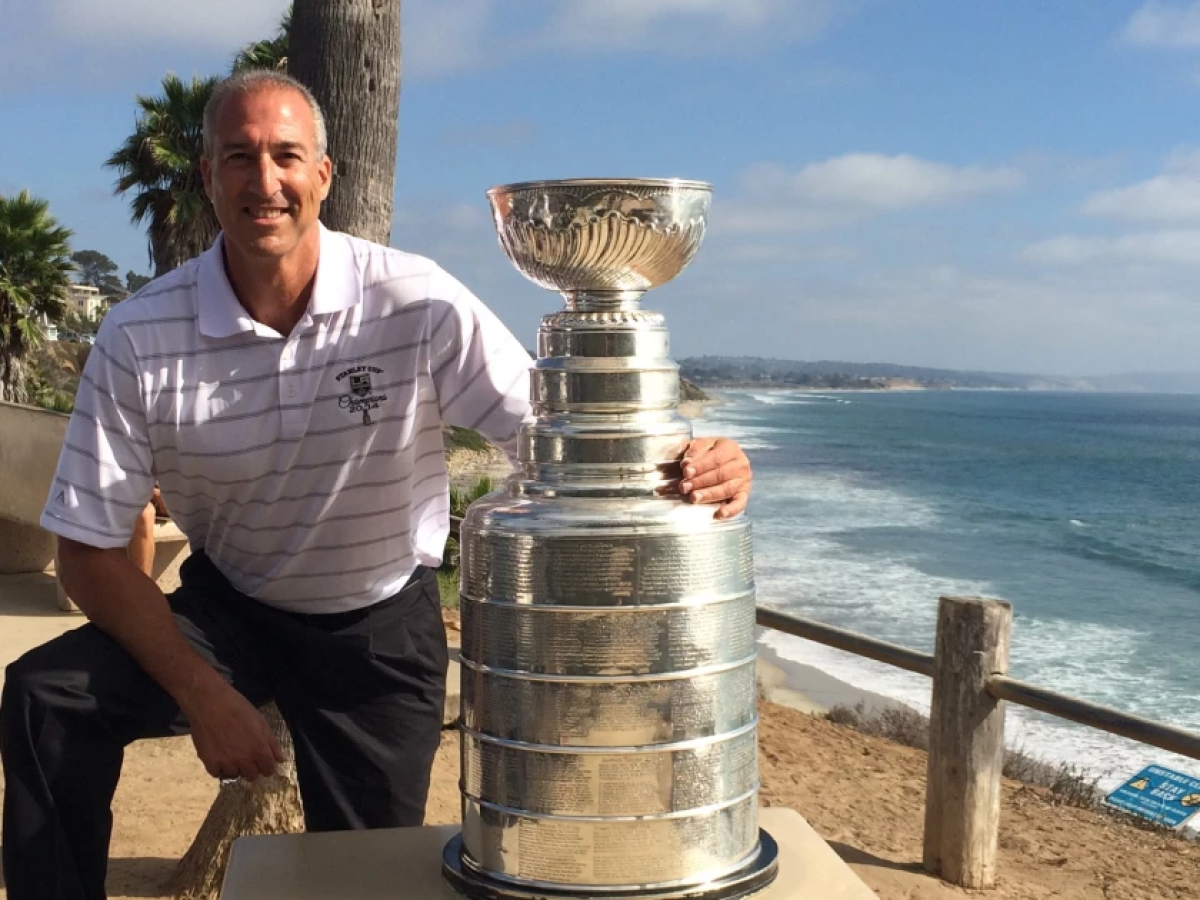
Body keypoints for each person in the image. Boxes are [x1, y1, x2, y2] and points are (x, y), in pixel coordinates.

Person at [0, 70, 754, 900]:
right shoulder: (141, 334)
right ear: (208, 177)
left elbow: (550, 443)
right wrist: (203, 694)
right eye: (238, 157)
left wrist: (693, 464)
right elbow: (90, 556)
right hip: (230, 609)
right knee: (48, 699)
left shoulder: (414, 300)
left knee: (370, 879)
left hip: (377, 630)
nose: (265, 180)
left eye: (288, 155)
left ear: (324, 175)